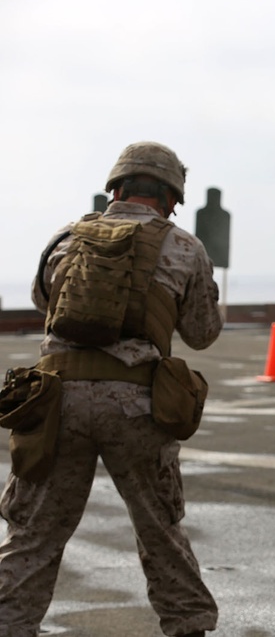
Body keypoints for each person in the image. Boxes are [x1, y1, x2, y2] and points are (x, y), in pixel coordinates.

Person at [0, 142, 222, 637]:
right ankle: (188, 628)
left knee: (33, 534)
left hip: (57, 403)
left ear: (116, 188)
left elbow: (43, 301)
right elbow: (203, 332)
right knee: (160, 529)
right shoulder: (184, 246)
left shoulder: (65, 236)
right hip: (136, 407)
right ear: (170, 198)